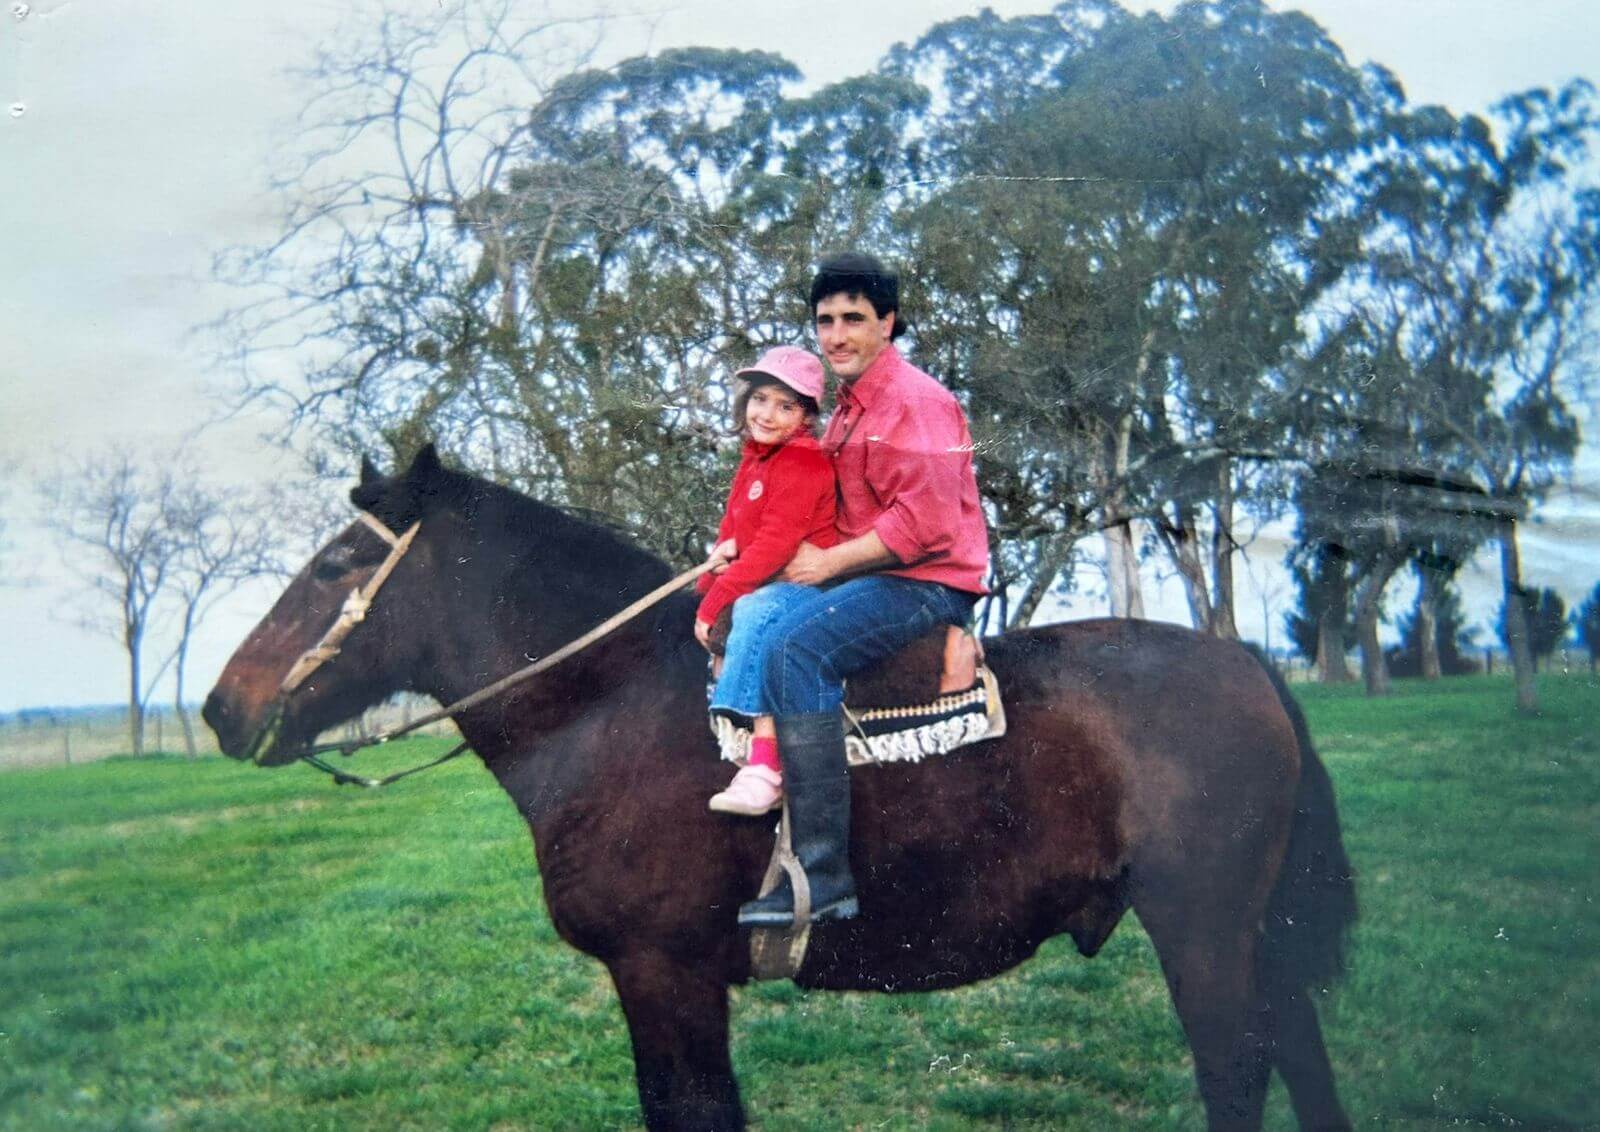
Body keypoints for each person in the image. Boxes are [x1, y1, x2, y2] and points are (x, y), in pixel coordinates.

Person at [728, 252, 991, 928]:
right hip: (866, 575)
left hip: (924, 584)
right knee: (752, 614)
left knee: (796, 650)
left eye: (854, 319)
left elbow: (927, 525)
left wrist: (826, 564)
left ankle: (821, 876)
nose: (837, 335)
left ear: (888, 323)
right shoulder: (845, 410)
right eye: (825, 321)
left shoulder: (916, 401)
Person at [693, 346, 838, 815]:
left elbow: (776, 546)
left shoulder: (803, 463)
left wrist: (715, 602)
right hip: (768, 579)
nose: (768, 414)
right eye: (760, 399)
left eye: (786, 405)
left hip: (806, 585)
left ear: (806, 417)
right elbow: (732, 533)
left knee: (758, 616)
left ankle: (766, 764)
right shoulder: (755, 459)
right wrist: (705, 586)